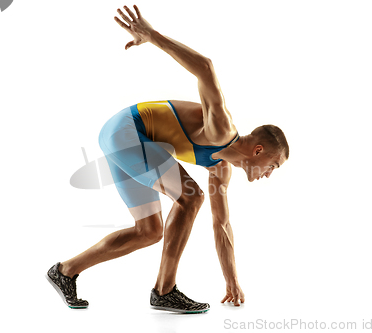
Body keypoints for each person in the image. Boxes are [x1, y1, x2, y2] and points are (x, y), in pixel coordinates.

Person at [46, 5, 289, 313]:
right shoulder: (222, 128)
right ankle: (164, 291)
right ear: (258, 151)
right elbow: (206, 67)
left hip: (131, 146)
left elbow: (222, 226)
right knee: (191, 196)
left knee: (148, 231)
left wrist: (232, 282)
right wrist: (152, 35)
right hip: (127, 131)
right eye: (273, 165)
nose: (269, 174)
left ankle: (65, 271)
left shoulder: (220, 169)